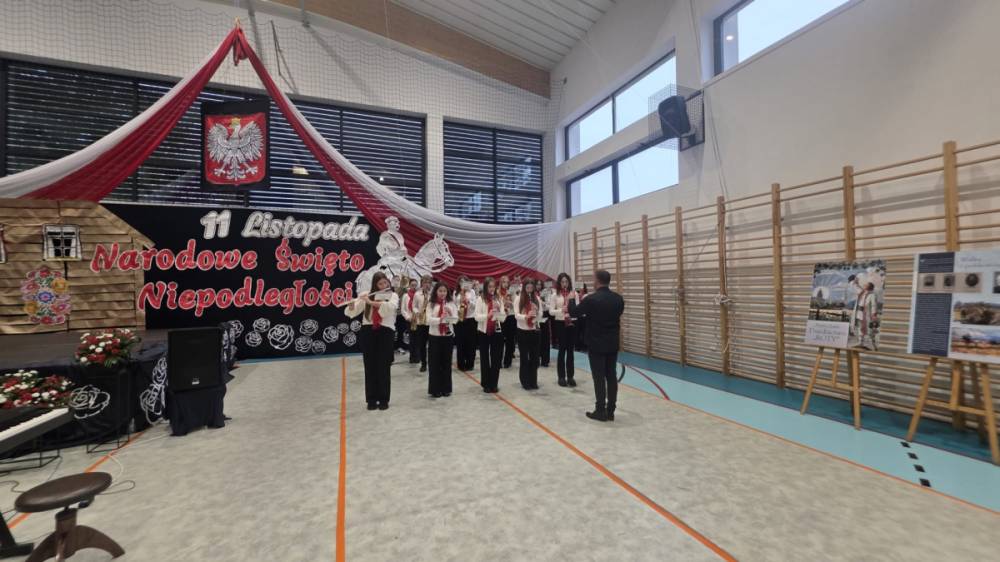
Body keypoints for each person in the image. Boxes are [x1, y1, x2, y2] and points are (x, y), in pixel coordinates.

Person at [569, 270, 624, 422]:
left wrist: (571, 299)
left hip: (596, 343)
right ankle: (611, 410)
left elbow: (574, 312)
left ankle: (600, 410)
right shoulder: (618, 299)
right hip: (612, 343)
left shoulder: (591, 299)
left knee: (599, 377)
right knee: (611, 376)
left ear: (597, 281)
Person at [345, 272, 399, 411]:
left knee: (384, 366)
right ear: (375, 285)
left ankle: (384, 399)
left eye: (385, 283)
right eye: (380, 284)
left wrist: (370, 302)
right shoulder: (367, 294)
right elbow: (353, 312)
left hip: (385, 332)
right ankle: (371, 399)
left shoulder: (393, 295)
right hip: (368, 331)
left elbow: (389, 308)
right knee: (370, 366)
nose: (383, 286)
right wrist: (351, 305)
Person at [426, 281, 457, 398]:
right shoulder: (431, 304)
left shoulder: (451, 304)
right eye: (440, 291)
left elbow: (456, 319)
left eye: (444, 291)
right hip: (435, 336)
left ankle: (446, 388)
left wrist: (450, 315)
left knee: (446, 363)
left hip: (447, 336)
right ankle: (435, 389)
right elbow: (428, 320)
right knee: (434, 363)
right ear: (436, 292)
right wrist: (440, 319)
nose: (442, 293)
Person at [475, 277, 505, 393]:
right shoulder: (480, 299)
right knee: (484, 358)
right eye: (490, 287)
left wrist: (499, 313)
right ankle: (486, 384)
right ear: (486, 287)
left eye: (493, 286)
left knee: (496, 358)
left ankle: (494, 383)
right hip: (483, 331)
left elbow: (503, 318)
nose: (492, 289)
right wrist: (487, 316)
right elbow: (476, 317)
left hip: (496, 331)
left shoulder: (499, 299)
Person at [550, 273, 579, 387]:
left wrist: (571, 309)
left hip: (571, 323)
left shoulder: (574, 293)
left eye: (566, 281)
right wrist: (561, 310)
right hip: (560, 323)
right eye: (562, 282)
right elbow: (551, 311)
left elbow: (577, 309)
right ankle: (561, 377)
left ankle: (571, 376)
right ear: (559, 283)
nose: (564, 284)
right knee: (562, 350)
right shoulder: (555, 295)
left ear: (569, 282)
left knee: (571, 350)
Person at [515, 279, 543, 390]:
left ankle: (533, 381)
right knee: (524, 358)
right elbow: (516, 315)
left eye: (531, 288)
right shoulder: (518, 299)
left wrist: (537, 311)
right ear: (524, 288)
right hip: (523, 331)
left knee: (534, 358)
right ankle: (525, 381)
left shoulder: (537, 299)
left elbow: (541, 314)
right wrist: (526, 316)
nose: (529, 291)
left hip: (534, 331)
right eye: (527, 288)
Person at [454, 275, 478, 371]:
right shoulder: (456, 292)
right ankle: (461, 364)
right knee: (460, 342)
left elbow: (475, 305)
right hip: (460, 320)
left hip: (470, 319)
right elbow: (454, 305)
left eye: (465, 282)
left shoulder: (472, 292)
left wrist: (468, 302)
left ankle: (470, 363)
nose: (463, 284)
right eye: (461, 282)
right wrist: (459, 306)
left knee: (471, 342)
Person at [412, 275, 433, 372]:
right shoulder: (417, 294)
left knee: (432, 345)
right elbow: (414, 306)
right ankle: (423, 363)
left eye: (429, 282)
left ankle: (432, 362)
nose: (427, 284)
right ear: (421, 283)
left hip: (431, 322)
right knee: (422, 344)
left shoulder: (433, 294)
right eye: (425, 282)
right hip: (421, 322)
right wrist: (417, 312)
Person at [498, 275, 517, 369]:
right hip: (501, 317)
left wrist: (511, 303)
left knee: (510, 340)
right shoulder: (497, 292)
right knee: (500, 340)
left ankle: (507, 361)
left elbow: (516, 305)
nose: (505, 284)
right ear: (500, 283)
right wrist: (502, 303)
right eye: (503, 282)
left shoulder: (512, 292)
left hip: (511, 316)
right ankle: (498, 361)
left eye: (507, 282)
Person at [400, 277, 419, 362]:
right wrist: (408, 317)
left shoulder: (419, 295)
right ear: (409, 285)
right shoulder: (405, 295)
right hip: (409, 320)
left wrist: (417, 316)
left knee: (418, 339)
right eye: (412, 285)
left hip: (418, 320)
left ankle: (418, 357)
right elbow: (403, 309)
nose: (414, 287)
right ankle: (412, 357)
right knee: (411, 339)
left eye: (415, 285)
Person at [393, 275, 411, 355]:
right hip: (393, 314)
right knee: (394, 332)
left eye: (398, 279)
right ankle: (393, 347)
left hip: (402, 314)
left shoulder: (405, 289)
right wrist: (402, 287)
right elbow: (397, 295)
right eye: (396, 279)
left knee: (401, 331)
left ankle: (400, 346)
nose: (397, 281)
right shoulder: (391, 290)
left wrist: (405, 286)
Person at [539, 279, 554, 368]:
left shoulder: (554, 292)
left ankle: (546, 360)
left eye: (550, 283)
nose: (548, 285)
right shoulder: (543, 292)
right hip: (542, 315)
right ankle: (540, 357)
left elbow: (552, 306)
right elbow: (541, 303)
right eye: (547, 283)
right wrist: (543, 304)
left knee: (547, 337)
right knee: (542, 337)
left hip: (551, 314)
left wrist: (546, 305)